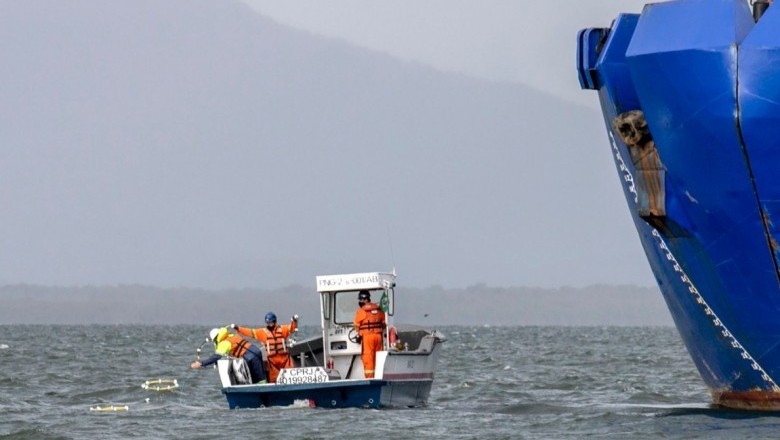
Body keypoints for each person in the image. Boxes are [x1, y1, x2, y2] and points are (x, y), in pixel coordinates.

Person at [231, 312, 298, 383]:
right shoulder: (262, 333)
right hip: (272, 362)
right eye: (268, 323)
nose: (270, 324)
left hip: (285, 359)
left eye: (271, 322)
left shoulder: (282, 329)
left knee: (290, 377)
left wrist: (294, 321)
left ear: (275, 322)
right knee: (274, 380)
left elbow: (292, 328)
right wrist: (237, 328)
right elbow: (250, 332)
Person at [190, 327, 267, 384]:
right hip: (257, 351)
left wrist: (201, 364)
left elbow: (216, 356)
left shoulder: (224, 343)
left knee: (260, 381)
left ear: (215, 339)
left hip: (250, 357)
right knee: (262, 378)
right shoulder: (231, 336)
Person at [353, 290, 386, 378]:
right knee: (378, 357)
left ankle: (370, 378)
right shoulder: (378, 309)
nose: (360, 302)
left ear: (365, 299)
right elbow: (384, 323)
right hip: (378, 337)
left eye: (360, 299)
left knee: (368, 357)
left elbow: (356, 325)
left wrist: (359, 334)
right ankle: (379, 376)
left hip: (367, 337)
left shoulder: (361, 311)